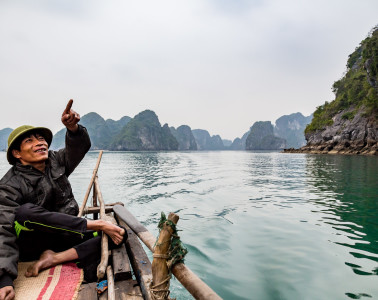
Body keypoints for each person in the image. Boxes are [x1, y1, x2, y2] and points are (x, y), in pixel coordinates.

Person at [0, 100, 126, 300]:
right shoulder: (10, 184)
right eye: (30, 141)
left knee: (119, 236)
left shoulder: (56, 161)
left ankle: (54, 259)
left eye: (41, 139)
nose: (40, 143)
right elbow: (3, 229)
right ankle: (94, 226)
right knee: (23, 212)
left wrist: (73, 128)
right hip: (33, 243)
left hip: (65, 234)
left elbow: (78, 148)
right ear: (17, 154)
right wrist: (4, 280)